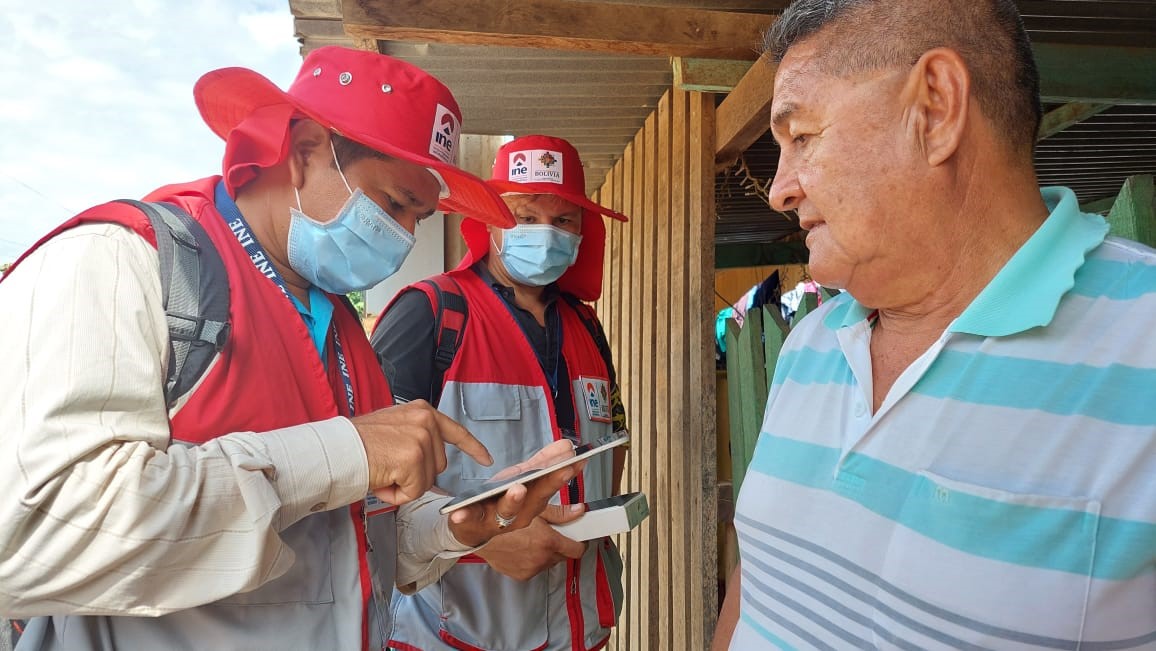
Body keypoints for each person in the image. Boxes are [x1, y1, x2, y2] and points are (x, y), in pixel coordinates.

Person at [0, 46, 582, 651]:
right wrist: (344, 451)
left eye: (420, 216)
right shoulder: (120, 263)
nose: (407, 236)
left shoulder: (343, 327)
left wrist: (454, 526)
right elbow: (28, 536)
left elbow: (341, 547)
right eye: (394, 204)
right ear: (304, 152)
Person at [712, 1, 1156, 649]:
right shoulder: (808, 344)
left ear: (936, 109)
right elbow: (759, 578)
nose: (779, 189)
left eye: (801, 136)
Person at [371, 135, 630, 650]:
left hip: (578, 627)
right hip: (456, 631)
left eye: (563, 220)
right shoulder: (430, 314)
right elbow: (371, 480)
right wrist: (485, 540)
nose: (545, 234)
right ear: (489, 220)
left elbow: (612, 442)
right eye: (525, 216)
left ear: (582, 231)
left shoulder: (586, 326)